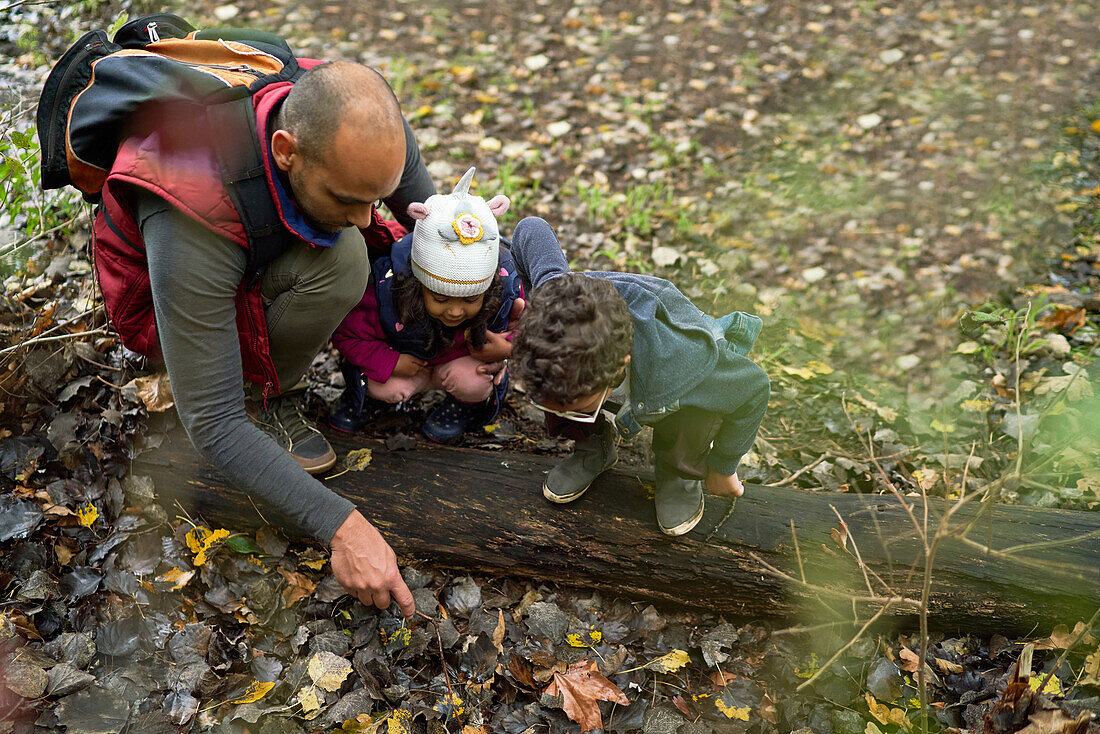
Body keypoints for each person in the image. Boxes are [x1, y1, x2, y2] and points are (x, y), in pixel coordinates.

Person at [95, 61, 433, 617]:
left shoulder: (333, 112)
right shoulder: (187, 200)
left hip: (249, 240)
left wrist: (464, 260)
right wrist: (344, 527)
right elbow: (214, 421)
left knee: (346, 248)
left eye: (376, 196)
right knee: (346, 261)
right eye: (347, 197)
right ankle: (267, 396)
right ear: (285, 150)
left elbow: (405, 176)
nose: (364, 215)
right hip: (173, 303)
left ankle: (272, 355)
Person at [509, 217, 770, 536]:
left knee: (693, 412)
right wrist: (526, 304)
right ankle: (595, 448)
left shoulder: (686, 363)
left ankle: (680, 474)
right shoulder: (552, 301)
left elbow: (755, 388)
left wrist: (723, 467)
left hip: (670, 366)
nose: (560, 415)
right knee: (565, 395)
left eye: (578, 406)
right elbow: (530, 228)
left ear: (620, 366)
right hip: (599, 361)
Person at [328, 168, 523, 443]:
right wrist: (390, 361)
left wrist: (510, 347)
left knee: (475, 381)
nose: (455, 312)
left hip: (459, 363)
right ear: (418, 285)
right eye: (440, 299)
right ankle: (373, 401)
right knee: (384, 385)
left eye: (470, 299)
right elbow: (347, 335)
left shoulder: (504, 290)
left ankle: (462, 406)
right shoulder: (388, 291)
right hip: (407, 363)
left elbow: (532, 326)